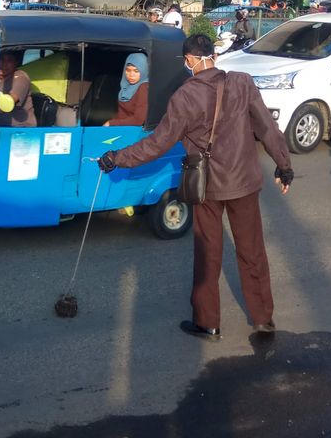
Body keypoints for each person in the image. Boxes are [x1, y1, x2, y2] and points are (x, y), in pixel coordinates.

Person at [97, 34, 294, 341]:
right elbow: (266, 126)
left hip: (207, 186)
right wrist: (284, 166)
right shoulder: (242, 83)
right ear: (213, 56)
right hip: (243, 182)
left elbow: (157, 144)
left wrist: (117, 158)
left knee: (208, 254)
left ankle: (208, 323)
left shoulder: (185, 96)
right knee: (252, 251)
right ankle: (263, 319)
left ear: (189, 61)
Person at [103, 53, 149, 126]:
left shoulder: (144, 87)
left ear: (144, 70)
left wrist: (111, 123)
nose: (131, 75)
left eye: (136, 71)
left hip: (135, 133)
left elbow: (138, 120)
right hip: (123, 129)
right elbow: (122, 114)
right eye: (128, 70)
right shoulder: (126, 85)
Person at [0, 51, 36, 127]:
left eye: (9, 61)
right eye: (1, 60)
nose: (4, 64)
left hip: (19, 128)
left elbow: (10, 101)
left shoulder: (21, 77)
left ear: (16, 63)